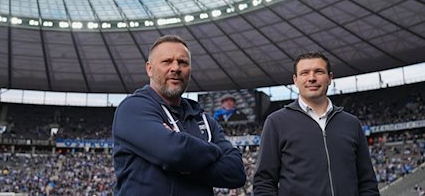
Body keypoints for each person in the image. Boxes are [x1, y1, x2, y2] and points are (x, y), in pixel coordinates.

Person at [112, 35, 246, 196]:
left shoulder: (202, 118)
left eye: (183, 62)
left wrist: (184, 160)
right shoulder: (132, 108)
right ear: (149, 68)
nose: (175, 68)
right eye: (167, 61)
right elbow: (174, 153)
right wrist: (215, 151)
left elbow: (236, 173)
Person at [253, 52, 380, 196]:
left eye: (318, 72)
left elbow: (367, 182)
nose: (311, 78)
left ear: (330, 78)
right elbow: (263, 183)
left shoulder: (351, 123)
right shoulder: (276, 122)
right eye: (304, 73)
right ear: (295, 80)